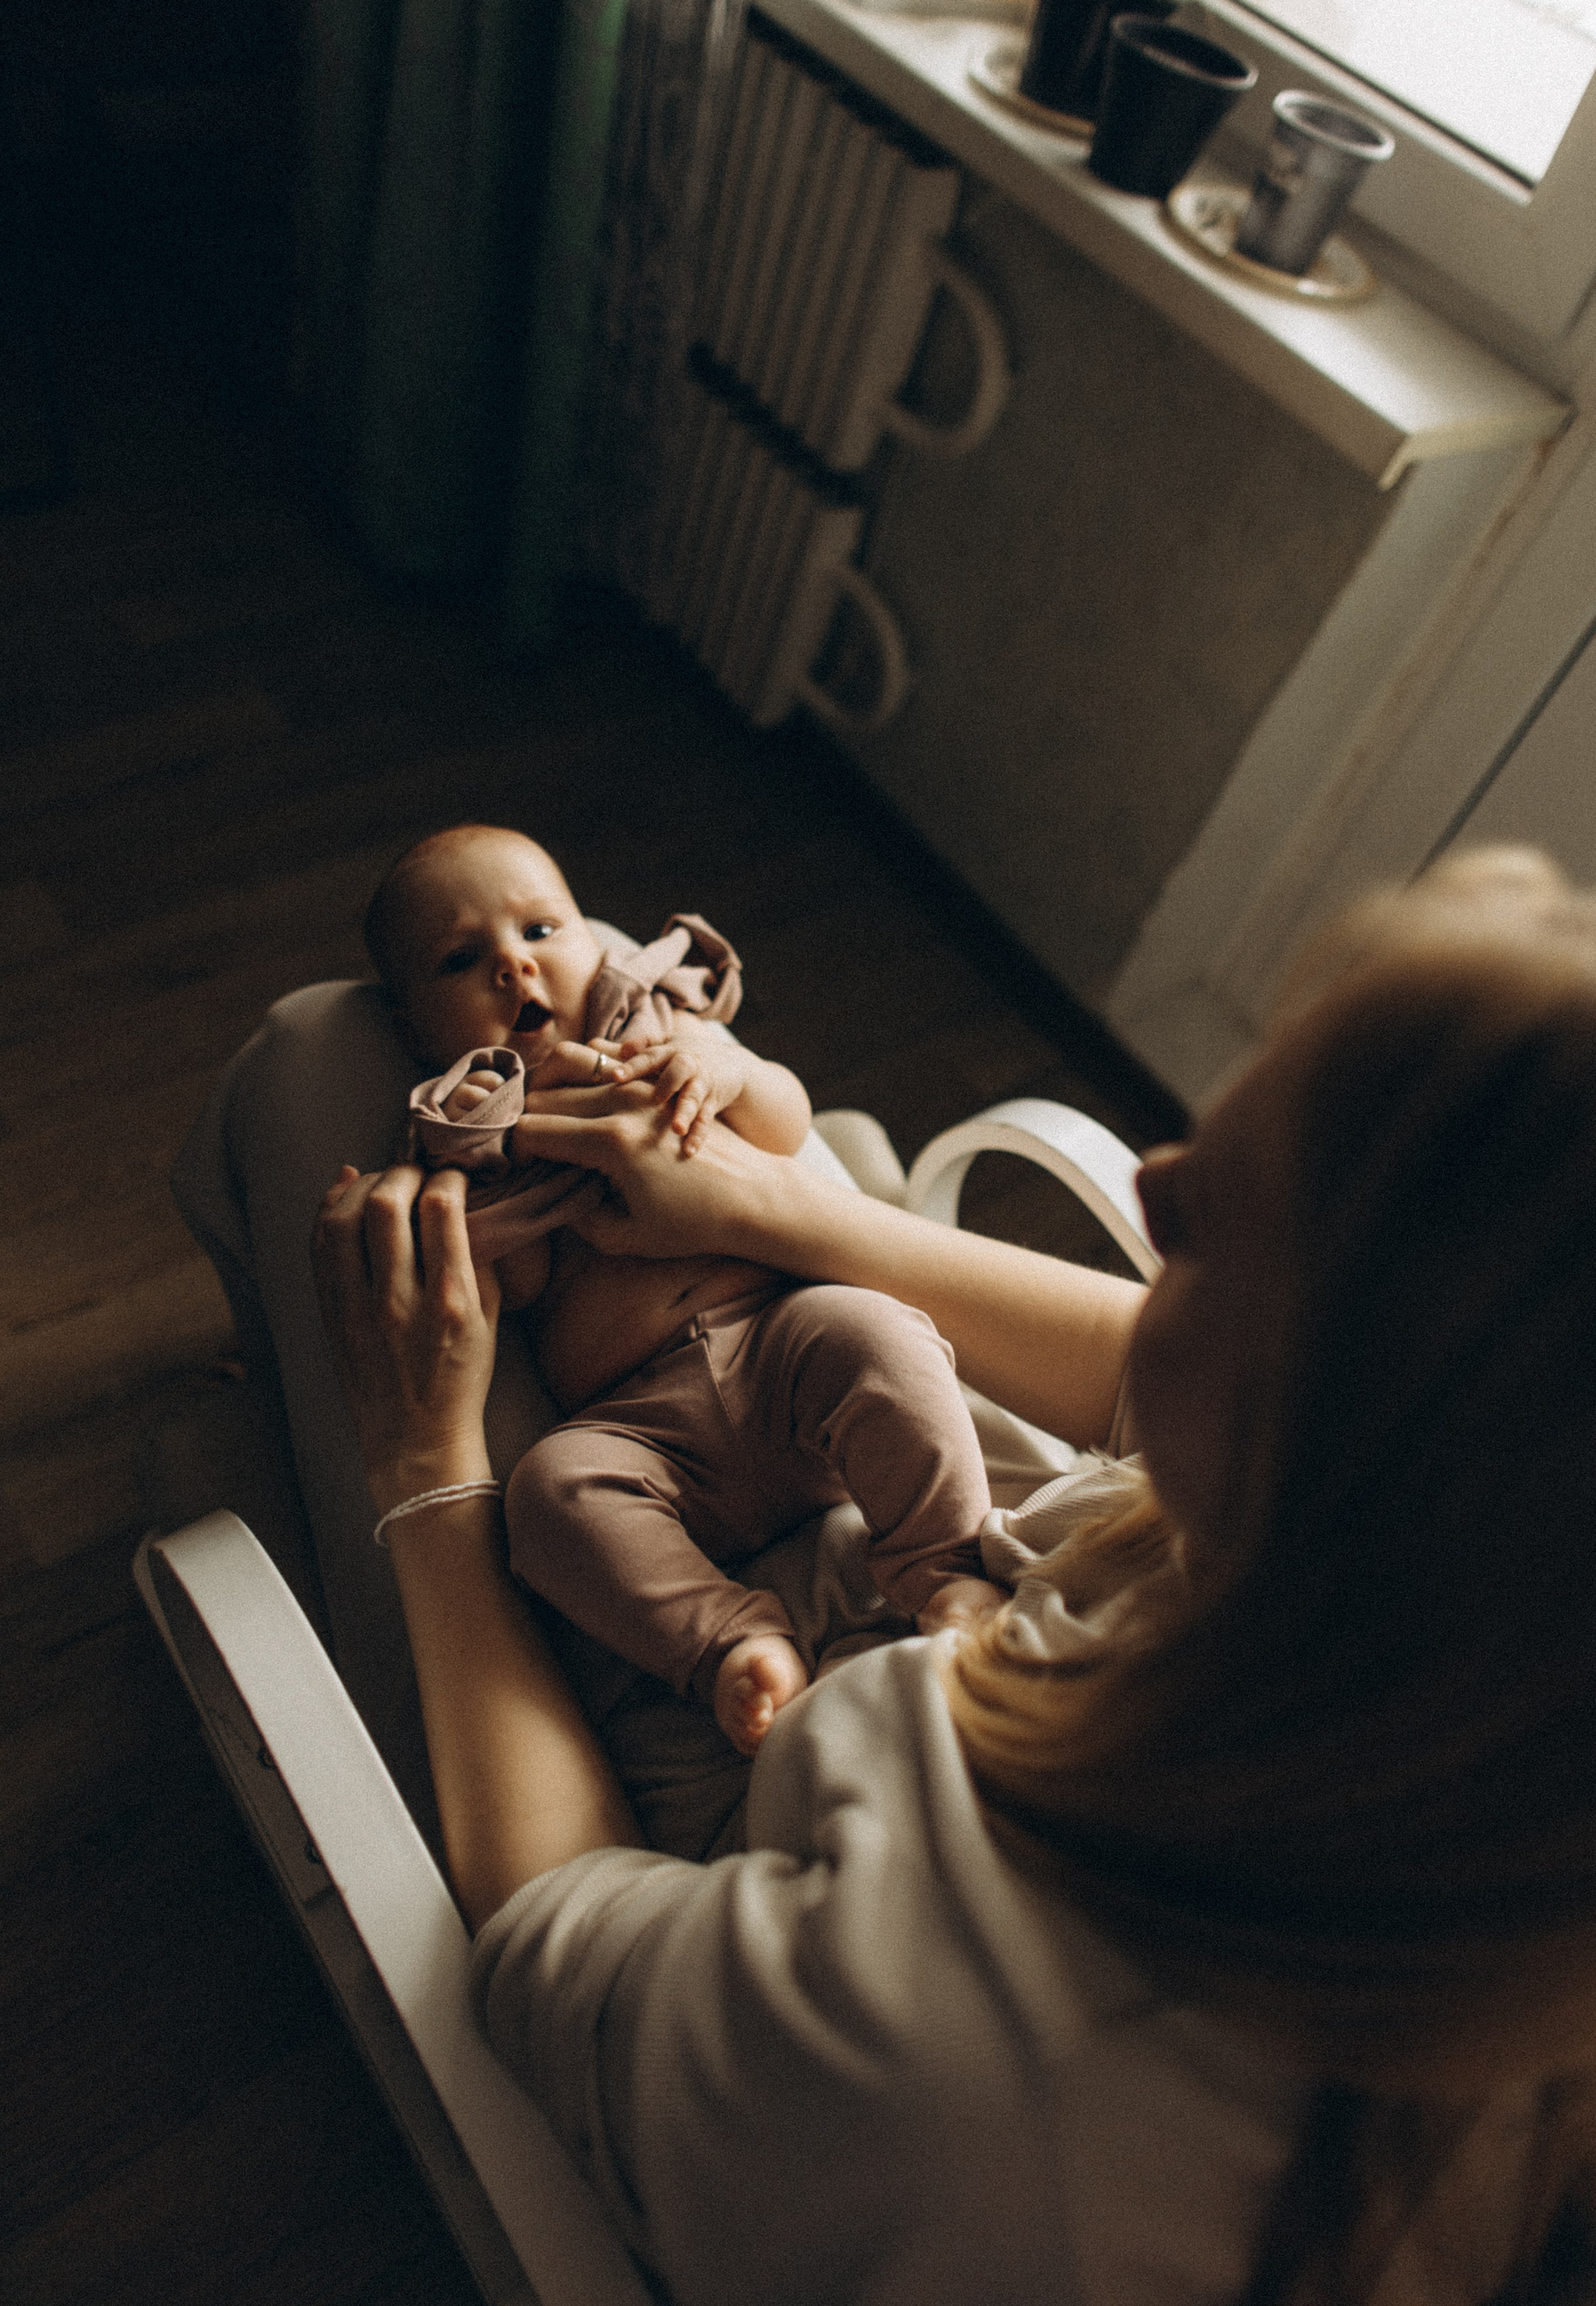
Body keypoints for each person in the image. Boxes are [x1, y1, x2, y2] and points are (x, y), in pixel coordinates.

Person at [314, 846, 1596, 2306]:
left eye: (1261, 1214)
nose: (1155, 1178)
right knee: (835, 1171)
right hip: (871, 1590)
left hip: (722, 1855)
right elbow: (1154, 1382)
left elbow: (554, 1932)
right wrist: (776, 1212)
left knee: (308, 1068)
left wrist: (423, 1460)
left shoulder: (954, 2077)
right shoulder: (1480, 1641)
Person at [367, 823, 1001, 1755]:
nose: (513, 966)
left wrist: (728, 1068)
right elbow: (525, 1276)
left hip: (787, 1347)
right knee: (547, 1493)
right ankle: (732, 1644)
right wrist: (483, 1164)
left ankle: (943, 1568)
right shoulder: (473, 1133)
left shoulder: (664, 1033)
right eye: (462, 960)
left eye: (541, 930)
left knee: (879, 1335)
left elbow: (783, 1130)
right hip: (642, 1430)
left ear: (597, 942)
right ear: (413, 1029)